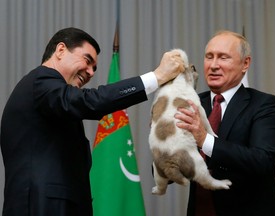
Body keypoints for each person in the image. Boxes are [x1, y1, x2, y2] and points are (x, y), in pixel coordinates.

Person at [0, 27, 185, 216]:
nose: (90, 73)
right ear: (60, 50)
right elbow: (90, 101)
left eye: (94, 69)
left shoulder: (53, 102)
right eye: (87, 61)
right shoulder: (42, 80)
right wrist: (157, 77)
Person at [175, 30, 275, 216]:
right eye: (209, 57)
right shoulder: (191, 103)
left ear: (245, 64)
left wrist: (205, 140)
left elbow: (262, 162)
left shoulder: (264, 104)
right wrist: (163, 141)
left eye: (223, 58)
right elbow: (166, 174)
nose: (213, 65)